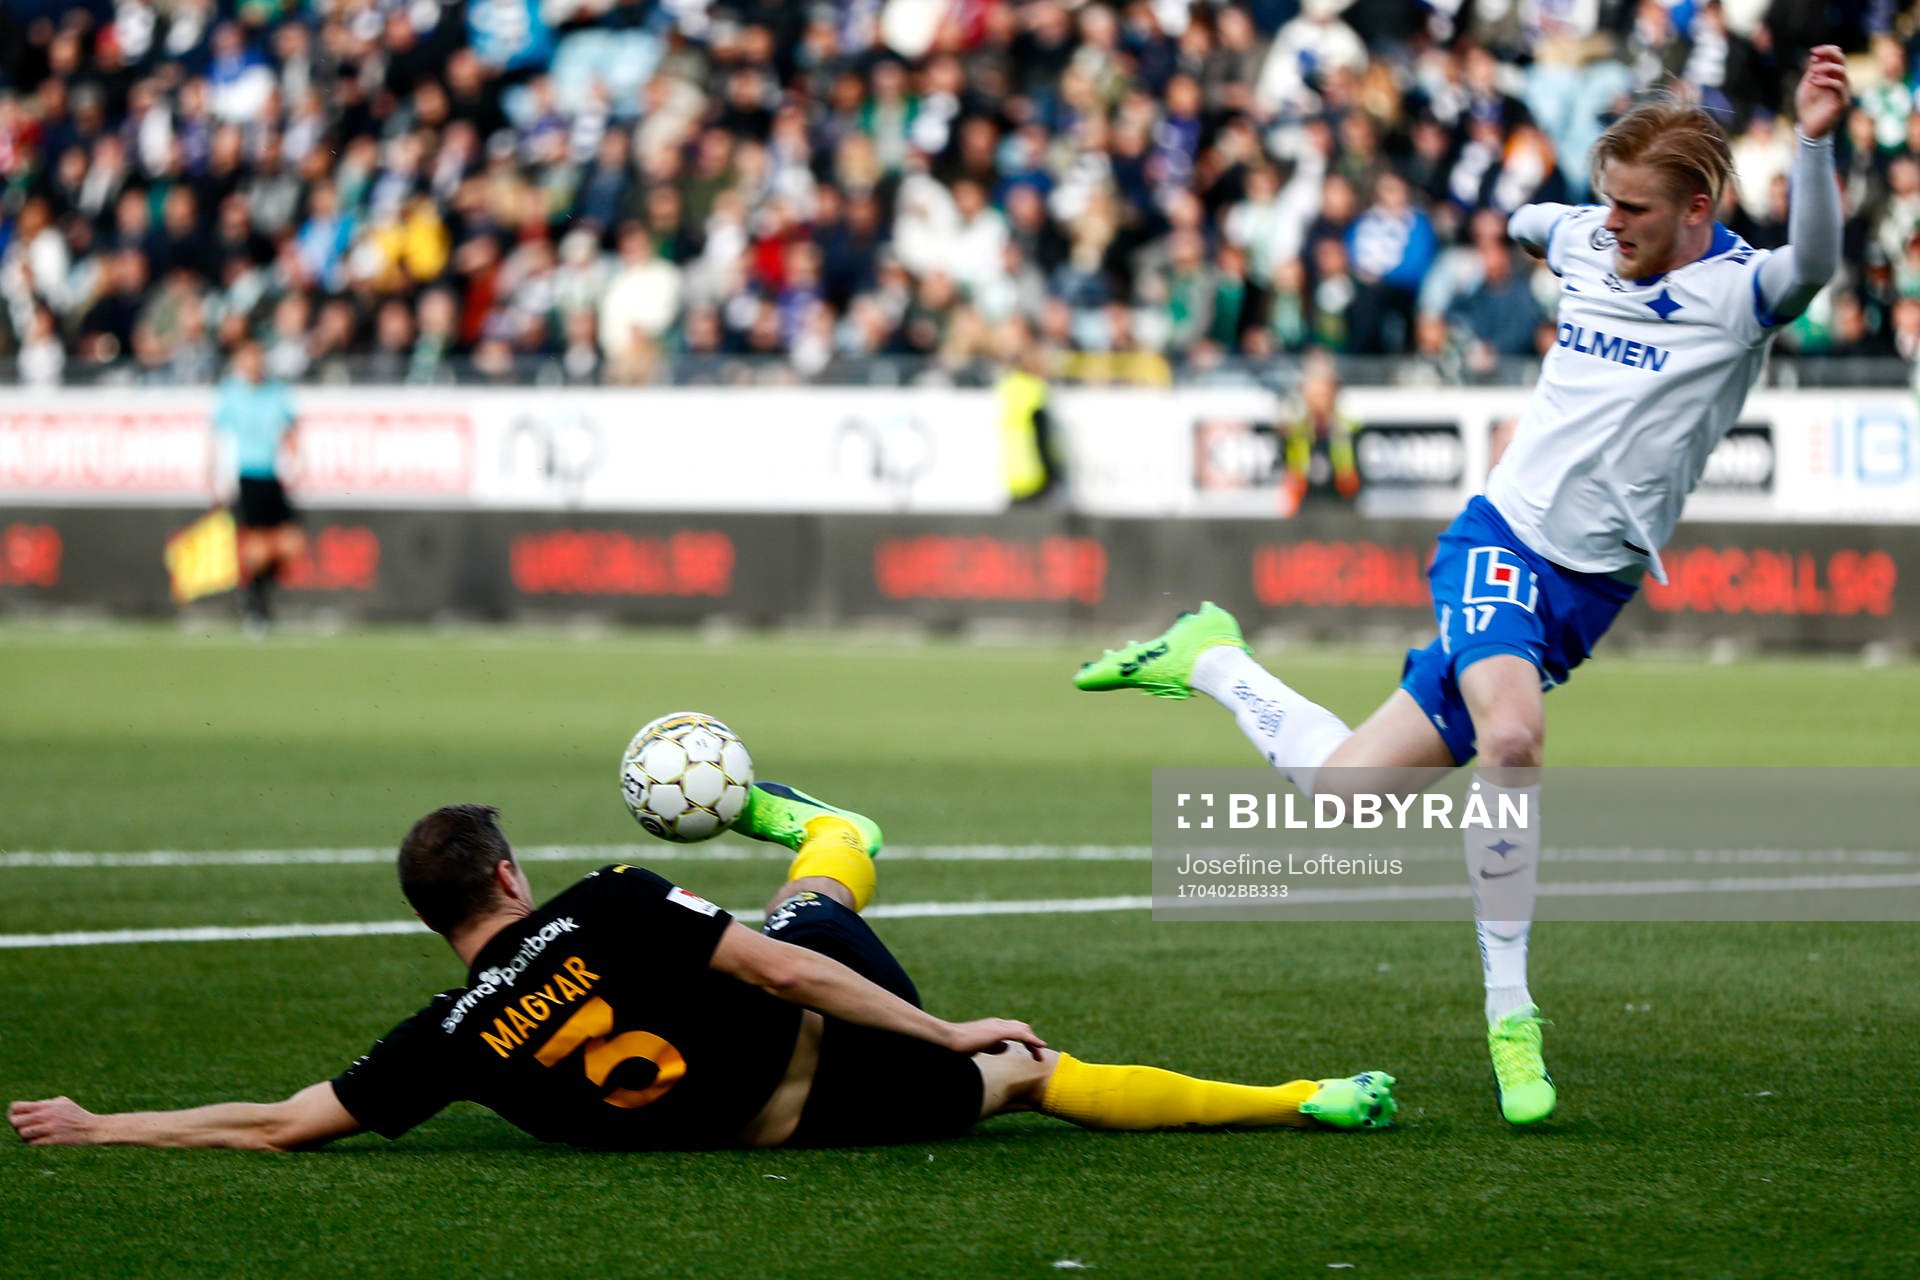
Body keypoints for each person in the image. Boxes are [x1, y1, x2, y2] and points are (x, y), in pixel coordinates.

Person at [1073, 51, 1850, 1128]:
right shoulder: (1584, 235)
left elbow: (1814, 260)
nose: (1611, 224)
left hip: (1586, 592)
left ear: (1698, 208)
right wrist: (1557, 215)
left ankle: (1208, 654)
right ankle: (1511, 1013)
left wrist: (1812, 140)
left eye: (1635, 208)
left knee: (1343, 795)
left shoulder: (1736, 294)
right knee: (1514, 738)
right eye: (1607, 202)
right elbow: (1539, 223)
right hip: (1498, 540)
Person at [8, 782, 1397, 1151]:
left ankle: (1307, 1095)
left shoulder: (448, 1035)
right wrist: (945, 1025)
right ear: (506, 875)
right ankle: (789, 814)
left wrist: (102, 1123)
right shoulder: (601, 898)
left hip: (791, 1131)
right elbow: (789, 979)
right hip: (820, 1040)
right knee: (832, 873)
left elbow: (282, 1124)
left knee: (1034, 1086)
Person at [207, 339, 305, 634]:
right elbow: (217, 437)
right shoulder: (230, 394)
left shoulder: (277, 392)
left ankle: (257, 592)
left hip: (273, 475)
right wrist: (214, 477)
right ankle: (254, 601)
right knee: (256, 546)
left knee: (289, 543)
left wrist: (296, 464)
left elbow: (290, 431)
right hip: (245, 475)